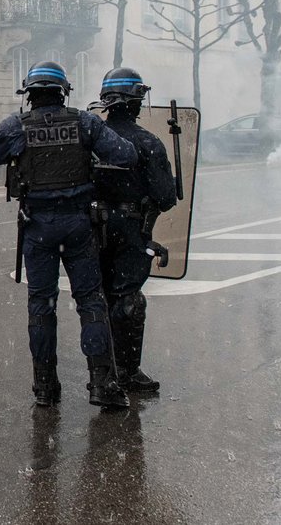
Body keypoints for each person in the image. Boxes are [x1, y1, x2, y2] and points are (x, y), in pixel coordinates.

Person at [0, 61, 138, 410]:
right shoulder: (83, 122)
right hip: (78, 225)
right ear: (63, 91)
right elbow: (125, 155)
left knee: (41, 306)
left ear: (29, 95)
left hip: (37, 226)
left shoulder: (16, 125)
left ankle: (45, 387)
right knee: (90, 302)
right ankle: (101, 383)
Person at [90, 68, 178, 395]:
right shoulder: (147, 142)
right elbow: (166, 197)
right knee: (128, 299)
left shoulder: (92, 137)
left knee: (98, 297)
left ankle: (103, 371)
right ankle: (127, 372)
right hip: (130, 229)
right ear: (136, 101)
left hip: (93, 227)